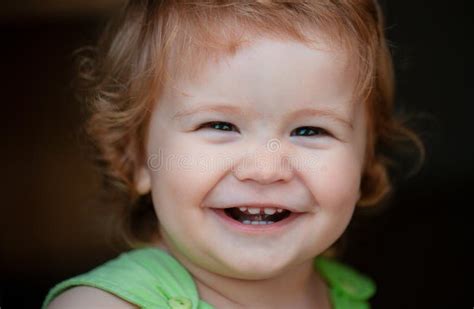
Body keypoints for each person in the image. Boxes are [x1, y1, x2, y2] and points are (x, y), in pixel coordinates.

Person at [44, 0, 423, 308]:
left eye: (311, 130)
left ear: (365, 164)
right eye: (220, 126)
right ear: (137, 159)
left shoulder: (348, 295)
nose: (265, 169)